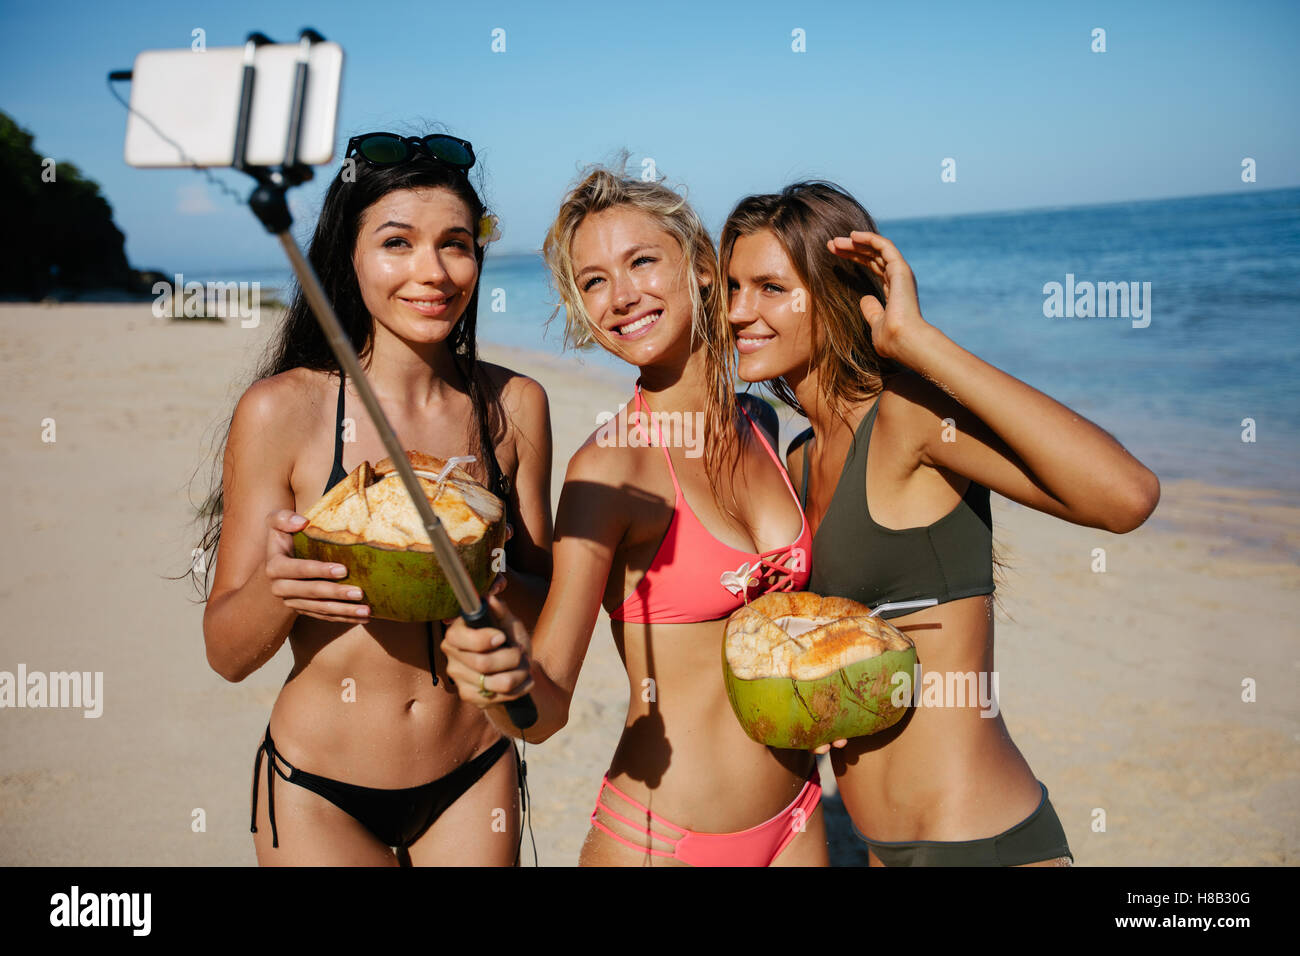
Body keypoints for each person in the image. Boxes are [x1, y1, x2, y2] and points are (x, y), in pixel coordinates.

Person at [718, 181, 1160, 866]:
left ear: (837, 297)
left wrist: (919, 344)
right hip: (878, 847)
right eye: (732, 287)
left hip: (976, 841)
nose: (740, 311)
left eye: (772, 288)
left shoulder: (909, 417)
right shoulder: (800, 462)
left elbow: (1127, 496)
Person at [441, 165, 828, 866]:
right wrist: (502, 684)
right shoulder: (606, 471)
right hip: (664, 843)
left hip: (801, 817)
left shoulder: (762, 423)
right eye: (592, 281)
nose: (621, 296)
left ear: (703, 268)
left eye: (641, 261)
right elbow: (549, 703)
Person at [196, 131, 553, 865]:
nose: (433, 272)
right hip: (320, 789)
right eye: (398, 242)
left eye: (456, 243)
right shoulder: (282, 411)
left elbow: (541, 601)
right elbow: (227, 653)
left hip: (474, 771)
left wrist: (489, 584)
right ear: (347, 257)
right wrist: (281, 584)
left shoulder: (514, 406)